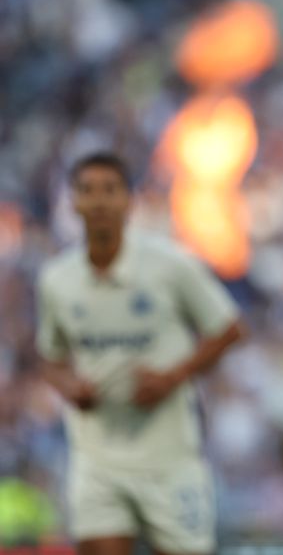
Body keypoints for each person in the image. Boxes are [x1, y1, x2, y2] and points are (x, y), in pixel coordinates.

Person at [35, 152, 243, 555]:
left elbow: (229, 329)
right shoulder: (57, 280)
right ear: (73, 202)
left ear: (129, 200)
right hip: (97, 459)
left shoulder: (170, 265)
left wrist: (172, 376)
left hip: (169, 458)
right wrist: (70, 387)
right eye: (87, 190)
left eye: (109, 190)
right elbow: (52, 358)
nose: (98, 201)